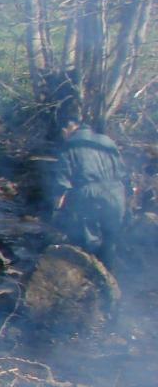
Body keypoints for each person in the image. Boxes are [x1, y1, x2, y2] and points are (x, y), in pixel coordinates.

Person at [50, 100, 128, 269]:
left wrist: (56, 211)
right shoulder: (107, 141)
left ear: (66, 129)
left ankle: (94, 280)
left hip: (89, 194)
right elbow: (123, 173)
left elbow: (62, 184)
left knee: (90, 241)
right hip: (116, 193)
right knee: (110, 239)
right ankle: (112, 282)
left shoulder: (69, 146)